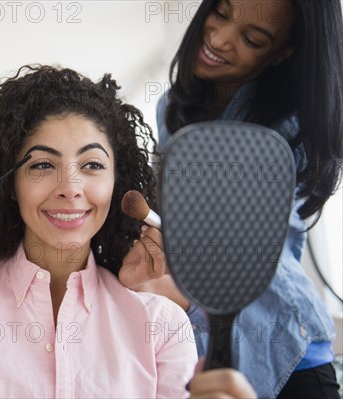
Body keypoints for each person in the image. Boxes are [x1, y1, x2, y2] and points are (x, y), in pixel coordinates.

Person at [0, 65, 198, 398]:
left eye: (92, 165)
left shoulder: (162, 324)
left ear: (118, 183)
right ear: (10, 183)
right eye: (42, 165)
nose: (70, 188)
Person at [120, 0, 343, 397]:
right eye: (220, 14)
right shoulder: (173, 106)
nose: (219, 40)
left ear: (283, 51)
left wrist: (164, 287)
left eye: (253, 39)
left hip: (288, 343)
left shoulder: (289, 130)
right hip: (209, 339)